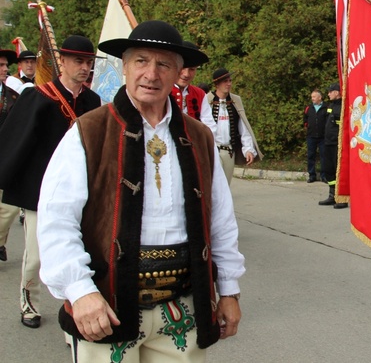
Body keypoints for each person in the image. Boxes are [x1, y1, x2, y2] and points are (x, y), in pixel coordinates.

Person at [36, 20, 245, 362]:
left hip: (183, 311)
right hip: (107, 306)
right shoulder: (89, 131)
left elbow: (220, 219)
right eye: (141, 61)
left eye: (164, 64)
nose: (151, 73)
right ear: (124, 67)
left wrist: (230, 290)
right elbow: (56, 220)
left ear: (178, 72)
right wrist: (80, 291)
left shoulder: (199, 137)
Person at [0, 36, 101, 329]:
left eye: (88, 62)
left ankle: (76, 302)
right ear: (63, 62)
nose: (84, 67)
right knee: (37, 255)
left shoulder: (92, 102)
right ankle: (28, 301)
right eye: (78, 61)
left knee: (82, 251)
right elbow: (17, 140)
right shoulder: (39, 97)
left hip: (81, 191)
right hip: (41, 192)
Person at [208, 68, 262, 184]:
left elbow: (243, 127)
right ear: (217, 84)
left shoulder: (235, 100)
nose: (229, 84)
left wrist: (248, 149)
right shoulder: (207, 100)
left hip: (229, 151)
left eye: (230, 81)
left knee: (226, 186)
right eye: (225, 81)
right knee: (215, 185)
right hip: (212, 151)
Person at [170, 41, 216, 135]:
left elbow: (210, 127)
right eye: (183, 68)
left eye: (192, 69)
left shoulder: (200, 94)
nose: (186, 74)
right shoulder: (162, 91)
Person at [0, 48, 20, 262]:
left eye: (6, 65)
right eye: (1, 65)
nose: (6, 69)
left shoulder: (14, 97)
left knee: (8, 208)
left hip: (4, 158)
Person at [318, 83, 349, 209]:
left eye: (330, 92)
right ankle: (332, 195)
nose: (328, 94)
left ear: (336, 92)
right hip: (328, 142)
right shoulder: (331, 105)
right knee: (329, 169)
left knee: (338, 170)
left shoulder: (343, 106)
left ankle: (341, 199)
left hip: (338, 143)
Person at [303, 89, 327, 183]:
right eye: (311, 97)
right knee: (311, 156)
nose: (312, 99)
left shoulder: (326, 107)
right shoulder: (308, 108)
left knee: (324, 157)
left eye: (314, 97)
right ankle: (312, 175)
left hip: (323, 137)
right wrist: (307, 127)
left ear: (319, 97)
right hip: (311, 136)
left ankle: (324, 176)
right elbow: (305, 119)